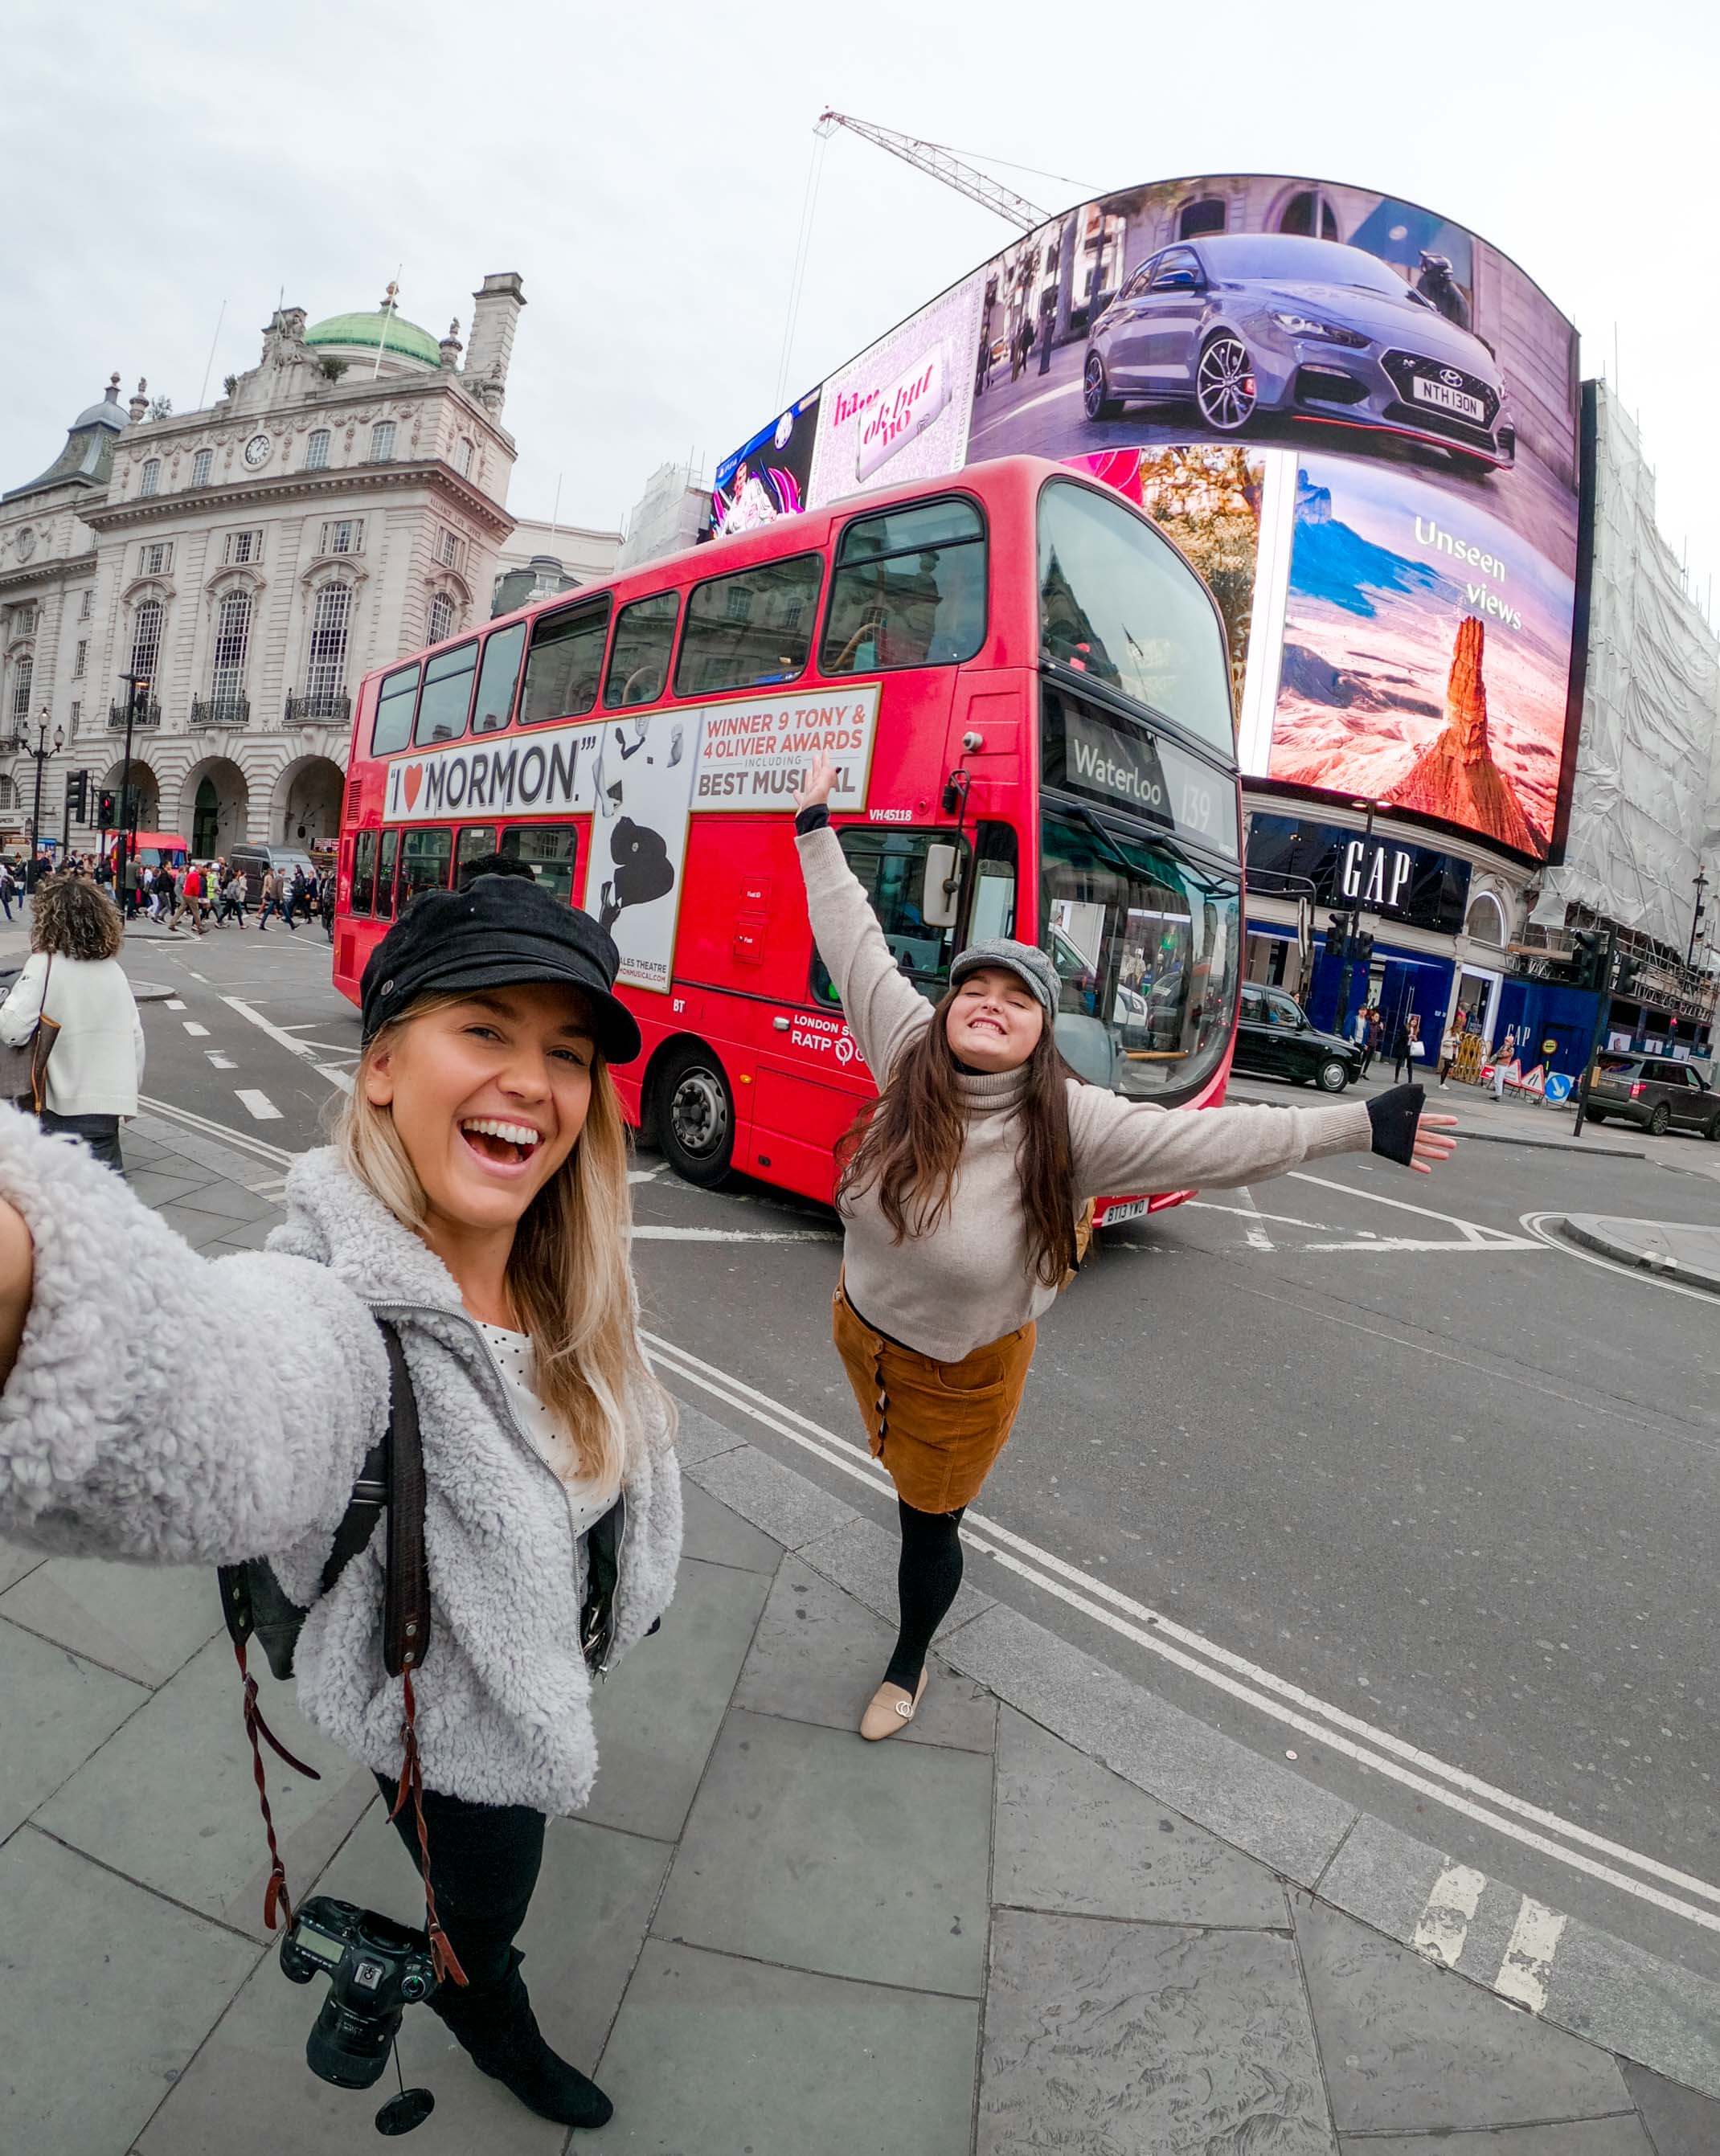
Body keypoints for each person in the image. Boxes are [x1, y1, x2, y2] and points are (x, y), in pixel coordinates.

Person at [0, 874, 682, 2130]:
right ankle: (491, 2009)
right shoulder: (333, 1308)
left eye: (567, 1052)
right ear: (381, 1066)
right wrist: (32, 1287)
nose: (534, 1079)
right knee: (486, 1900)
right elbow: (210, 1386)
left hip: (542, 1662)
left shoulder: (573, 1266)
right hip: (464, 1740)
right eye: (485, 1029)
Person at [791, 754, 1455, 1739]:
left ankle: (908, 1659)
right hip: (863, 1336)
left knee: (927, 1524)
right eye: (973, 986)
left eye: (1015, 999)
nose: (987, 1001)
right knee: (898, 1481)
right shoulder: (904, 1052)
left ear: (1038, 1036)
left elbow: (1219, 1141)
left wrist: (1356, 1123)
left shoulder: (1070, 1124)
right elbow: (853, 939)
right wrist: (813, 828)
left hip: (961, 1372)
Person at [0, 873, 142, 1172]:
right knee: (106, 1199)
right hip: (106, 1110)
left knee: (61, 1201)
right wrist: (127, 1093)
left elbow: (12, 1030)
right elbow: (135, 1038)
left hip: (60, 1105)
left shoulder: (45, 964)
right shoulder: (113, 970)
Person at [1438, 1017, 1461, 1087]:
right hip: (1448, 1053)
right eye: (1458, 1028)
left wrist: (1458, 1043)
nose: (1459, 1029)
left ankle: (1443, 1083)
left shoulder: (1457, 1035)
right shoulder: (1449, 1032)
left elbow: (1457, 1042)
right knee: (1446, 1067)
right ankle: (1442, 1083)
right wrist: (1452, 1044)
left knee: (1448, 1068)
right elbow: (1443, 1042)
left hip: (1453, 1053)